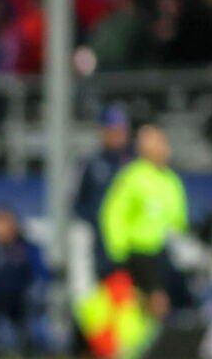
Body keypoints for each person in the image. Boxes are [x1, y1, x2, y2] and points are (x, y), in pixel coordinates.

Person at [99, 124, 188, 321]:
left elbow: (178, 220)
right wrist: (118, 249)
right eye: (158, 144)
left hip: (163, 251)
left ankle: (149, 339)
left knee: (150, 301)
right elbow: (113, 214)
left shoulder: (171, 180)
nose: (165, 149)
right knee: (156, 300)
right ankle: (155, 344)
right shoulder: (132, 177)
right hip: (139, 250)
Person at [0, 206, 49, 357]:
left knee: (26, 318)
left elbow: (41, 274)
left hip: (22, 298)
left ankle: (29, 349)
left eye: (0, 223)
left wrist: (36, 290)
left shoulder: (26, 248)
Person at [73, 105, 134, 279]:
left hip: (133, 246)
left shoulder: (137, 164)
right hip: (102, 246)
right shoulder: (91, 163)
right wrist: (97, 220)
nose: (117, 135)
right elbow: (78, 203)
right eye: (112, 130)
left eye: (121, 130)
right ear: (102, 131)